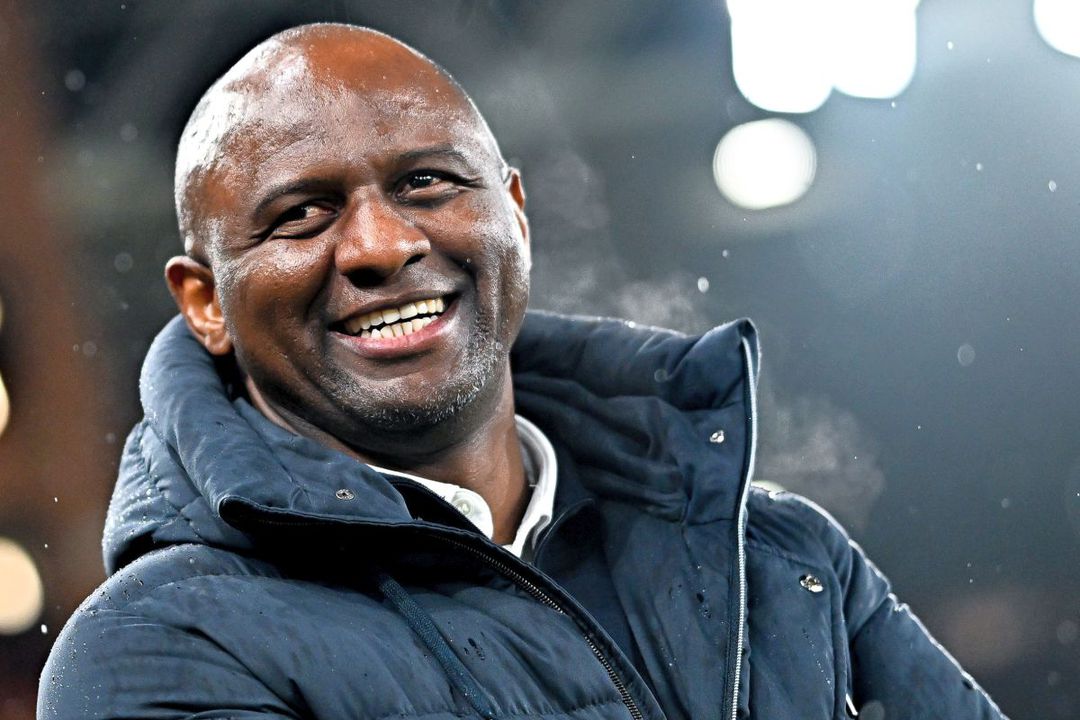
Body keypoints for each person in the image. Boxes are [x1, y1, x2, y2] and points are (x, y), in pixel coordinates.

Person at [38, 23, 1006, 720]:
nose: (381, 244)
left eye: (426, 182)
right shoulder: (161, 649)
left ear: (516, 214)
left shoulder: (781, 558)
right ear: (206, 302)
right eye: (302, 214)